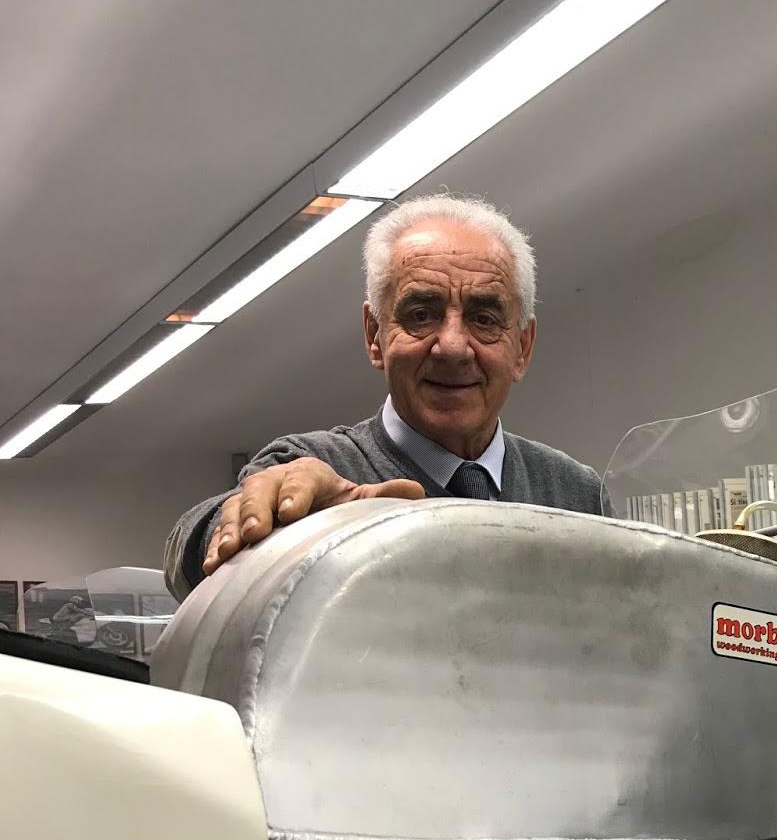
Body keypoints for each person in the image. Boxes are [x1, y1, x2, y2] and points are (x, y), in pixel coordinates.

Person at [164, 194, 609, 599]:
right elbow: (196, 551)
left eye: (484, 319)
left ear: (523, 348)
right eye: (422, 314)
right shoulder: (312, 471)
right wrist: (270, 529)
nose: (453, 347)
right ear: (374, 335)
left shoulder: (576, 495)